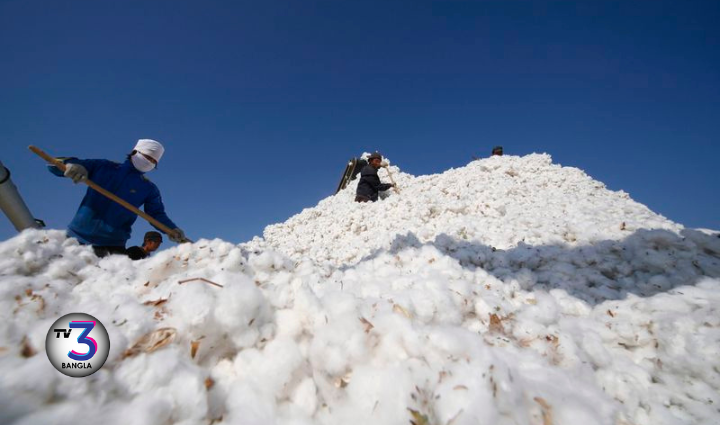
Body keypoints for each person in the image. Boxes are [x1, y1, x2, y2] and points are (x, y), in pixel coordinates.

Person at [48, 139, 186, 257]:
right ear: (135, 152)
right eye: (147, 157)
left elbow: (156, 214)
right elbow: (54, 164)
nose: (149, 162)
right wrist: (71, 166)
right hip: (75, 238)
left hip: (112, 247)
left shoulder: (148, 188)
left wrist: (171, 229)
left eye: (153, 162)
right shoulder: (104, 167)